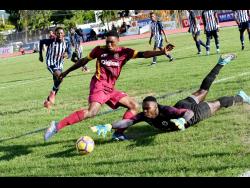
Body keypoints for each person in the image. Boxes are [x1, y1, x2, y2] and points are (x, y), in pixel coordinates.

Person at [43, 30, 174, 141]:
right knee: (91, 112)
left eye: (112, 42)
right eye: (107, 42)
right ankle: (56, 126)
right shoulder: (99, 50)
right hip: (99, 85)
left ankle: (118, 133)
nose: (109, 45)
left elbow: (143, 54)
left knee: (133, 106)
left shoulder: (125, 52)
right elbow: (83, 61)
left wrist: (161, 52)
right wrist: (66, 72)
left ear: (118, 41)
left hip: (110, 89)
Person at [91, 53, 250, 140]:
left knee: (217, 104)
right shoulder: (145, 115)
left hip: (192, 115)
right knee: (202, 91)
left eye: (148, 109)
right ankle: (221, 63)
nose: (145, 112)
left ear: (156, 107)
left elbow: (188, 113)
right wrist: (110, 126)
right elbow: (128, 121)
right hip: (183, 104)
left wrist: (183, 120)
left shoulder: (167, 110)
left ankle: (240, 96)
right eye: (145, 109)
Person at [39, 27, 72, 110]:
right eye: (58, 33)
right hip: (51, 63)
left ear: (64, 34)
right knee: (60, 77)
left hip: (60, 63)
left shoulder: (67, 41)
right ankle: (53, 93)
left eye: (61, 33)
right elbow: (41, 42)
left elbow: (70, 53)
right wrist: (40, 55)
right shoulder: (51, 41)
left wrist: (67, 55)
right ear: (55, 34)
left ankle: (47, 101)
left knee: (57, 82)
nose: (60, 35)